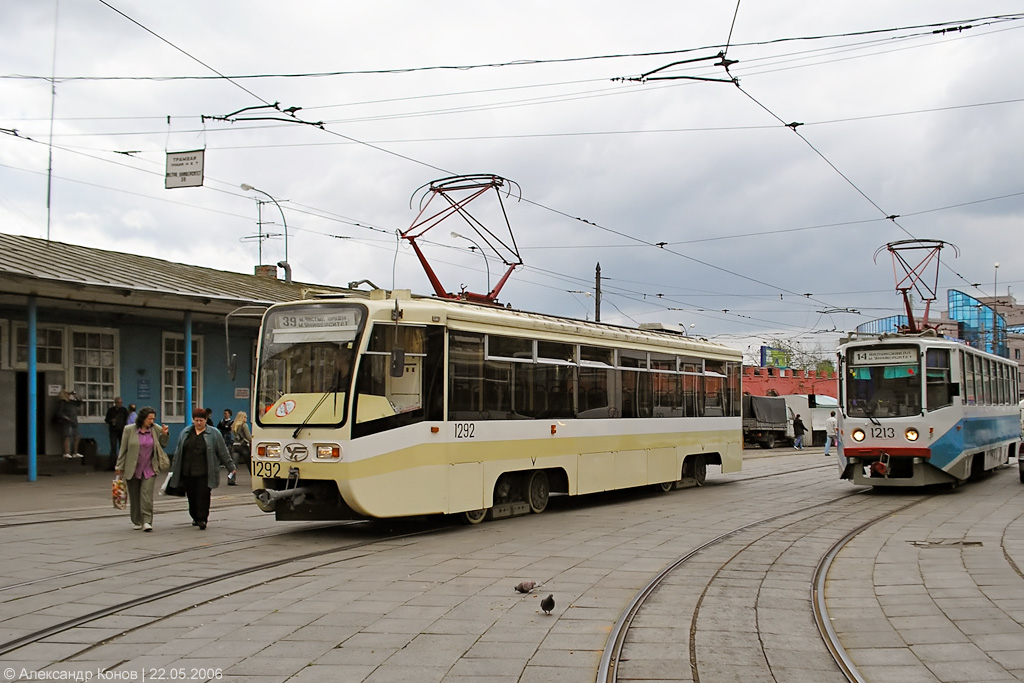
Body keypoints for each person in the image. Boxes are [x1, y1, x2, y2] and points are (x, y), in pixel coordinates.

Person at [168, 407, 236, 530]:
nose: (198, 423)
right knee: (192, 496)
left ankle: (202, 518)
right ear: (193, 420)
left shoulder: (214, 433)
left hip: (205, 470)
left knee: (203, 495)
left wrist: (230, 466)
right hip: (187, 470)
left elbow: (222, 451)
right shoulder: (186, 433)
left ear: (206, 420)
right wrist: (174, 469)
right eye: (196, 420)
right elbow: (179, 452)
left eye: (201, 420)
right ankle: (195, 516)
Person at [114, 407, 170, 532]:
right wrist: (119, 467)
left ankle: (147, 521)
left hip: (149, 468)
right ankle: (137, 520)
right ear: (142, 418)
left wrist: (165, 434)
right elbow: (123, 450)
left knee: (146, 496)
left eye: (153, 419)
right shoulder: (129, 430)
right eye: (149, 419)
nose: (151, 421)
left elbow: (163, 444)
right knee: (135, 496)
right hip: (133, 468)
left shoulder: (155, 429)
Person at [56, 389, 83, 459]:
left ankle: (75, 452)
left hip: (74, 421)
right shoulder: (62, 403)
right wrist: (66, 418)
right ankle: (66, 452)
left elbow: (80, 402)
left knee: (77, 436)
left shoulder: (72, 402)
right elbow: (59, 413)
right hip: (67, 422)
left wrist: (74, 395)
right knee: (67, 436)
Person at [104, 397, 129, 467]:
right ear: (115, 403)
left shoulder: (124, 410)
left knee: (122, 448)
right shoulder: (111, 410)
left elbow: (126, 420)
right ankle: (112, 465)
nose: (120, 404)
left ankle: (122, 464)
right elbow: (106, 420)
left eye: (121, 403)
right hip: (113, 431)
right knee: (113, 447)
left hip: (122, 431)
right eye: (118, 403)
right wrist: (111, 421)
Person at [230, 411, 252, 478]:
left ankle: (231, 479)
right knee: (249, 464)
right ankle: (254, 478)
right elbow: (248, 437)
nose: (246, 419)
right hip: (243, 446)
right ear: (242, 417)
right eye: (245, 417)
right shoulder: (244, 425)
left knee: (233, 465)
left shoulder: (234, 425)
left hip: (235, 446)